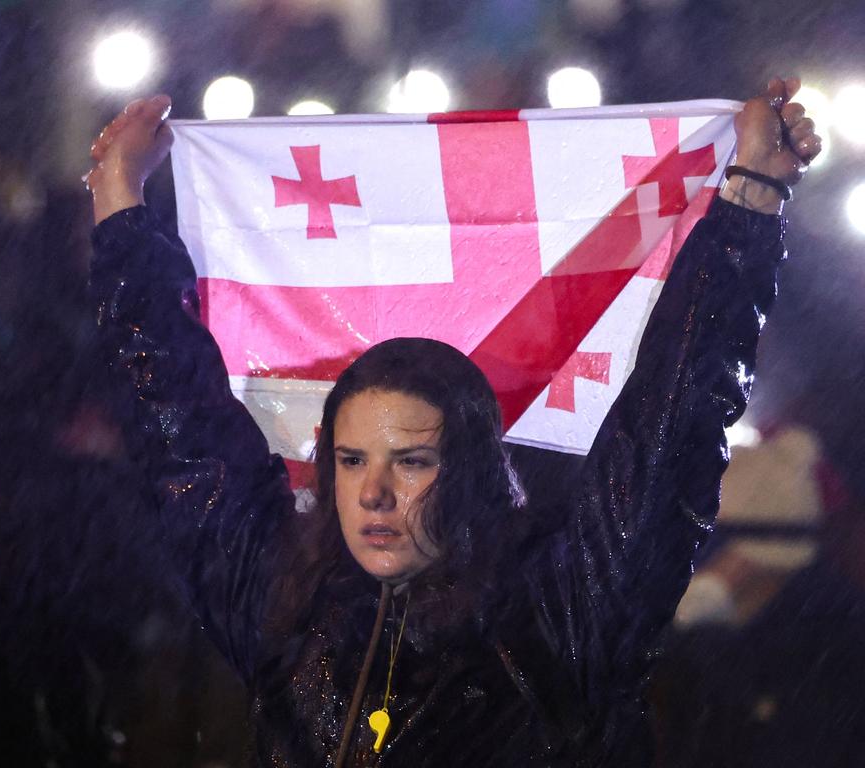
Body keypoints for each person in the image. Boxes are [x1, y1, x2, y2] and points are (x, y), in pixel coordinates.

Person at [84, 80, 821, 766]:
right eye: (349, 460)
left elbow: (671, 428)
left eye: (410, 461)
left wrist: (751, 200)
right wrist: (118, 200)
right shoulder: (281, 601)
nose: (372, 494)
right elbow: (181, 426)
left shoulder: (560, 613)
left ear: (468, 469)